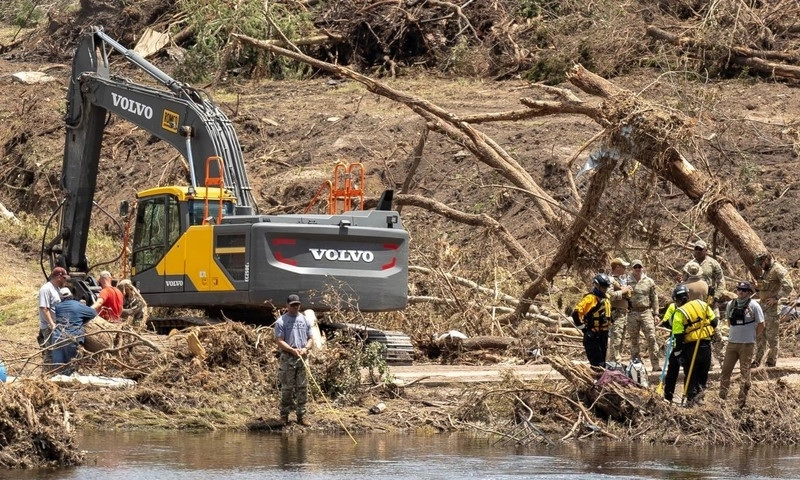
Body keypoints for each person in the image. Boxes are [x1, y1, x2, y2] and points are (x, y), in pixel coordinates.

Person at [671, 281, 716, 407]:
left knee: (691, 373)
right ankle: (700, 398)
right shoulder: (702, 304)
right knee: (703, 372)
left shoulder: (679, 313)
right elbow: (715, 321)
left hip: (690, 347)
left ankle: (691, 399)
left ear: (677, 300)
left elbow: (678, 335)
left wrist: (678, 352)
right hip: (706, 345)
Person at [719, 281, 764, 407]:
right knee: (725, 371)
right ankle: (722, 399)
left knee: (745, 372)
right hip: (732, 343)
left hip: (747, 344)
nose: (740, 292)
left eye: (744, 290)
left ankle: (741, 401)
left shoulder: (754, 305)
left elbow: (761, 324)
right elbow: (728, 322)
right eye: (739, 289)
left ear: (749, 293)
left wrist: (752, 336)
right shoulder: (730, 304)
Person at [274, 294, 314, 426]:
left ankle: (301, 416)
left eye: (297, 305)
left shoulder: (305, 320)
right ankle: (284, 416)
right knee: (287, 388)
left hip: (302, 357)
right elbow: (279, 340)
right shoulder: (281, 321)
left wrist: (306, 348)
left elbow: (310, 338)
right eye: (292, 305)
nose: (295, 307)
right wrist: (291, 350)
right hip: (287, 357)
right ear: (287, 306)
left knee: (302, 387)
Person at [752, 251, 794, 368]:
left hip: (772, 309)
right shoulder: (767, 271)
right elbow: (766, 288)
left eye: (761, 264)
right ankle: (757, 360)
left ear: (766, 260)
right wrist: (756, 287)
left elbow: (788, 286)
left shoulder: (778, 269)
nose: (760, 266)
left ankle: (771, 362)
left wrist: (776, 298)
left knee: (772, 337)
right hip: (762, 307)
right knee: (760, 335)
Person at [690, 240, 726, 364]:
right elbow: (685, 283)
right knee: (700, 334)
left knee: (716, 331)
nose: (698, 251)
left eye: (701, 249)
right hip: (695, 305)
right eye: (696, 249)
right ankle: (707, 362)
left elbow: (721, 282)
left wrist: (715, 297)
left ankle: (722, 360)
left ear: (706, 250)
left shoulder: (713, 264)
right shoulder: (690, 265)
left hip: (710, 303)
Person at [52, 287, 99, 375]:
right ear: (71, 295)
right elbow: (93, 313)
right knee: (72, 366)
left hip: (57, 337)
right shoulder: (78, 305)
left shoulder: (57, 307)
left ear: (61, 298)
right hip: (72, 338)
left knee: (57, 367)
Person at [626, 260, 661, 372]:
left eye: (639, 267)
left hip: (646, 312)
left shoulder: (649, 281)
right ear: (632, 268)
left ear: (642, 268)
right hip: (632, 312)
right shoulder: (626, 281)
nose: (637, 269)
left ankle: (655, 364)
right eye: (635, 267)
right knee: (634, 339)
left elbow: (654, 298)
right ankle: (636, 365)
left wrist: (656, 313)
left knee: (651, 337)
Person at [571, 273, 612, 367]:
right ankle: (595, 380)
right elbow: (575, 314)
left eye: (606, 287)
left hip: (603, 335)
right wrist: (584, 329)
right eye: (603, 287)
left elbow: (608, 314)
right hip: (592, 336)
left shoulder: (606, 298)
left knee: (602, 362)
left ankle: (601, 380)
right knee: (597, 364)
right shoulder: (590, 299)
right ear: (597, 285)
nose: (604, 290)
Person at [38, 266, 70, 372]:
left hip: (58, 326)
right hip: (49, 327)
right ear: (59, 277)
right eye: (65, 278)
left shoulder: (57, 289)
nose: (66, 281)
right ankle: (46, 377)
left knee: (58, 353)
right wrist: (52, 324)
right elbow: (44, 308)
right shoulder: (46, 289)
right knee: (50, 353)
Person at [660, 285, 686, 403]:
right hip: (678, 341)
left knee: (680, 370)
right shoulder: (673, 306)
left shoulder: (684, 307)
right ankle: (668, 396)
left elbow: (666, 322)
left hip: (686, 343)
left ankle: (680, 396)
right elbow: (666, 322)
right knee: (673, 371)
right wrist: (674, 325)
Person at [607, 258, 633, 364]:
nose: (625, 268)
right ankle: (613, 362)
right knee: (616, 338)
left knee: (621, 339)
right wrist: (623, 291)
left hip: (623, 312)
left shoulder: (621, 280)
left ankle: (617, 361)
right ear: (617, 267)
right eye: (623, 266)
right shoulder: (610, 280)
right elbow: (610, 295)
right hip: (615, 313)